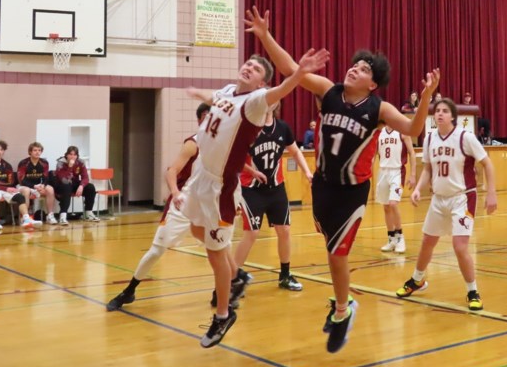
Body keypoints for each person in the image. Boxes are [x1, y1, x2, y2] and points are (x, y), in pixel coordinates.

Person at [246, 5, 439, 354]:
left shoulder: (378, 109)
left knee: (337, 253)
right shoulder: (328, 91)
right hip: (322, 186)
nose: (355, 69)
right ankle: (342, 304)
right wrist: (264, 35)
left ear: (373, 83)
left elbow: (414, 128)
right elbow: (291, 68)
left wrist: (425, 97)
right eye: (355, 64)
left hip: (352, 192)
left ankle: (341, 309)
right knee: (330, 247)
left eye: (364, 69)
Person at [182, 48, 330, 349]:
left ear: (262, 84)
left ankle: (223, 315)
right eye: (247, 63)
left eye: (256, 69)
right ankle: (237, 275)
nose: (248, 67)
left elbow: (280, 90)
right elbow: (218, 100)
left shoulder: (255, 103)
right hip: (201, 176)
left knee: (215, 253)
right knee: (195, 230)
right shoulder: (228, 90)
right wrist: (200, 94)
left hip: (220, 188)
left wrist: (299, 73)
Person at [107, 103, 213, 313]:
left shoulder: (221, 144)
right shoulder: (193, 143)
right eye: (211, 116)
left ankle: (225, 289)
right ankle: (129, 290)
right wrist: (175, 193)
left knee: (217, 246)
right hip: (184, 202)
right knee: (157, 250)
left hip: (208, 202)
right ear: (202, 119)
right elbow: (171, 171)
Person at [395, 98, 497, 310]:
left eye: (444, 111)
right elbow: (428, 169)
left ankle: (472, 290)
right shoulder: (430, 138)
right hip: (438, 199)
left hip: (462, 197)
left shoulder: (465, 137)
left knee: (459, 247)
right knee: (427, 241)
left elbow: (487, 164)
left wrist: (491, 193)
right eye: (437, 111)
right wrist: (417, 189)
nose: (439, 114)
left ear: (452, 116)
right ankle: (417, 279)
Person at [233, 101, 314, 292]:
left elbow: (294, 151)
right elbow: (234, 158)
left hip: (276, 188)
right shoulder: (248, 129)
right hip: (251, 189)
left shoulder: (282, 128)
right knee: (251, 233)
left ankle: (285, 275)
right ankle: (232, 278)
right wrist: (252, 172)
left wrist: (308, 172)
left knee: (284, 230)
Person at [376, 124, 417, 254]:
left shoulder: (402, 132)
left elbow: (412, 152)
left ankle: (400, 238)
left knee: (393, 204)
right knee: (386, 206)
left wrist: (413, 175)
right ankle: (391, 239)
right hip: (383, 171)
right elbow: (373, 155)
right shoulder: (379, 133)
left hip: (397, 172)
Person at [53, 146, 99, 225]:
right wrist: (70, 167)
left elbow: (85, 177)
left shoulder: (80, 162)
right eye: (70, 154)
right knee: (66, 187)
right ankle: (63, 216)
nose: (72, 157)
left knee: (90, 187)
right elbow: (64, 179)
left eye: (74, 155)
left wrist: (81, 186)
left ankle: (88, 213)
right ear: (66, 155)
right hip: (62, 185)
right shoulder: (60, 163)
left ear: (77, 156)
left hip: (74, 183)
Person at [16, 142, 58, 224]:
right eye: (35, 150)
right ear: (30, 152)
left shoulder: (44, 163)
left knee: (50, 189)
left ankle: (50, 215)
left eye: (39, 150)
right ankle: (25, 217)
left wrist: (43, 185)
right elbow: (21, 179)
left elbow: (45, 177)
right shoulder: (23, 163)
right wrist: (34, 186)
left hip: (38, 185)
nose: (37, 152)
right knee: (26, 190)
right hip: (24, 185)